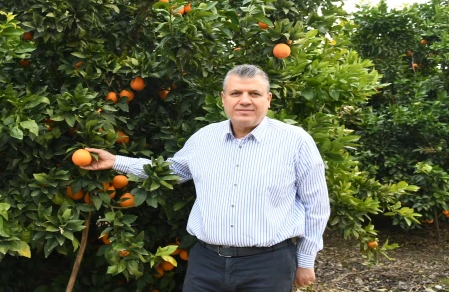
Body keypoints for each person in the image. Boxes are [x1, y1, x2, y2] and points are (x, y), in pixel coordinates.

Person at [82, 64, 330, 291]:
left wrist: (306, 260)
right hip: (206, 263)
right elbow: (170, 171)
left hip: (268, 265)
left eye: (254, 94)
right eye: (236, 94)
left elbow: (316, 206)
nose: (245, 100)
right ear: (223, 99)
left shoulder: (296, 141)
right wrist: (116, 161)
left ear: (268, 99)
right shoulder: (204, 138)